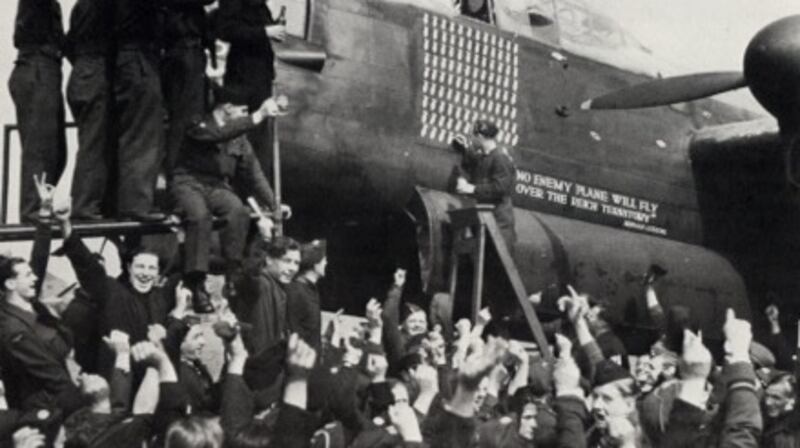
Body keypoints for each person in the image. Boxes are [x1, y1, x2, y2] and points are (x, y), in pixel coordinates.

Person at [170, 86, 287, 313]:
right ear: (227, 108)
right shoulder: (198, 124)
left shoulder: (239, 140)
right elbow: (218, 134)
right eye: (243, 111)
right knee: (199, 216)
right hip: (187, 183)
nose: (245, 116)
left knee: (238, 211)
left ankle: (232, 271)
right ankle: (196, 283)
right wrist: (258, 115)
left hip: (215, 186)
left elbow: (254, 174)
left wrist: (275, 203)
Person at [57, 203, 190, 377]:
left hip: (155, 379)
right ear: (129, 268)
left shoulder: (162, 296)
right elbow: (86, 265)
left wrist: (181, 236)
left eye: (151, 268)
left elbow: (183, 270)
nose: (145, 273)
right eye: (140, 267)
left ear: (158, 272)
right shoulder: (113, 292)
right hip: (120, 378)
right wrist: (65, 223)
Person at [0, 177, 82, 414]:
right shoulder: (11, 328)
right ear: (10, 283)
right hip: (44, 406)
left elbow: (39, 258)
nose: (36, 278)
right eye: (28, 276)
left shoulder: (30, 305)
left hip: (59, 393)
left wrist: (44, 213)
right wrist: (82, 406)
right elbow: (50, 374)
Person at [9, 0, 68, 222]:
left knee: (56, 153)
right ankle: (33, 209)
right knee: (40, 149)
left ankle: (39, 205)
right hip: (37, 66)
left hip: (44, 68)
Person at [216, 0, 287, 170]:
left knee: (257, 142)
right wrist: (265, 32)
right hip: (241, 78)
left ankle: (250, 193)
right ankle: (233, 190)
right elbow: (225, 30)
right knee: (235, 139)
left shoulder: (260, 5)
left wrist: (272, 30)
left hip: (260, 80)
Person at [113, 0, 166, 221]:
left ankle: (132, 202)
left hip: (132, 58)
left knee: (137, 133)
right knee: (142, 134)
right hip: (139, 58)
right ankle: (135, 204)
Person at [65, 0, 114, 221]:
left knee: (89, 141)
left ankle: (86, 202)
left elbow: (67, 43)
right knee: (94, 144)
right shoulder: (105, 5)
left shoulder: (81, 5)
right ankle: (85, 205)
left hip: (80, 73)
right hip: (96, 69)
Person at [162, 0, 216, 174]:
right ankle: (178, 176)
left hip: (184, 51)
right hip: (185, 52)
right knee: (185, 120)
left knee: (184, 119)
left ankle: (178, 174)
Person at [452, 119, 517, 247]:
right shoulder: (485, 157)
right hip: (488, 224)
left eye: (472, 136)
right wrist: (465, 148)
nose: (471, 138)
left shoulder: (500, 158)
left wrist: (472, 189)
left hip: (499, 228)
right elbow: (476, 161)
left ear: (480, 137)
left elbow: (500, 188)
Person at [234, 236, 300, 356]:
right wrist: (264, 240)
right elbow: (247, 277)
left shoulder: (279, 289)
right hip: (254, 365)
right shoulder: (261, 283)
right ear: (269, 260)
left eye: (296, 263)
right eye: (287, 261)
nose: (293, 268)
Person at [286, 240, 327, 353]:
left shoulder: (310, 290)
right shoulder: (296, 291)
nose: (326, 263)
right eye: (324, 260)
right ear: (315, 264)